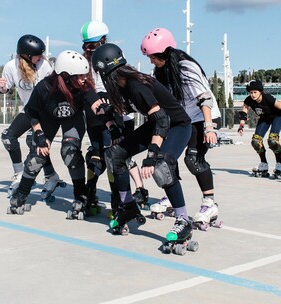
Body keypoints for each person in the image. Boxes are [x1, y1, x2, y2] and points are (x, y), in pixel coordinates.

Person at [92, 43, 194, 245]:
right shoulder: (123, 84)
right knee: (115, 154)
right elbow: (129, 109)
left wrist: (151, 154)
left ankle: (183, 220)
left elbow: (163, 120)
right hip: (158, 124)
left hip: (178, 126)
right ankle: (128, 206)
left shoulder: (135, 85)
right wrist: (108, 111)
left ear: (106, 72)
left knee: (161, 166)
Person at [140, 27, 222, 230]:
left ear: (164, 53)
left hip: (204, 117)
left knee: (193, 159)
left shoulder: (186, 67)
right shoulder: (160, 71)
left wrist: (209, 128)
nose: (151, 61)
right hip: (181, 120)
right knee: (167, 157)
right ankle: (170, 198)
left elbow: (205, 98)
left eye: (152, 57)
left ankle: (209, 203)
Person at [8, 50, 104, 217]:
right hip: (47, 118)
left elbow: (95, 102)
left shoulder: (83, 86)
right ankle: (21, 196)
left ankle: (80, 197)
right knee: (37, 156)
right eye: (80, 76)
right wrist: (39, 135)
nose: (84, 79)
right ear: (66, 76)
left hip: (73, 119)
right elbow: (31, 112)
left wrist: (104, 110)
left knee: (70, 153)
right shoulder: (44, 87)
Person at [80, 20, 148, 217]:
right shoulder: (112, 54)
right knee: (116, 158)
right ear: (103, 39)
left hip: (93, 112)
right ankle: (117, 204)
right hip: (114, 111)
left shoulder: (85, 63)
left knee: (95, 155)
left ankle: (89, 197)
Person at [0, 34, 62, 200]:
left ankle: (50, 176)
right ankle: (19, 173)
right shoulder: (11, 66)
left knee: (35, 143)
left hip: (46, 111)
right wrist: (2, 86)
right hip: (29, 110)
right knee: (8, 137)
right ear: (26, 55)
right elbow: (6, 89)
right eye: (38, 54)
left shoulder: (44, 66)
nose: (41, 57)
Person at [238, 80, 281, 178]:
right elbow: (244, 111)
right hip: (264, 119)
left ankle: (279, 164)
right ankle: (263, 164)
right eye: (251, 92)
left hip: (276, 117)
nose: (253, 95)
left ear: (260, 92)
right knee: (256, 141)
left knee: (272, 141)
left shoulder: (267, 98)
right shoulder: (249, 100)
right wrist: (241, 126)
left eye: (255, 92)